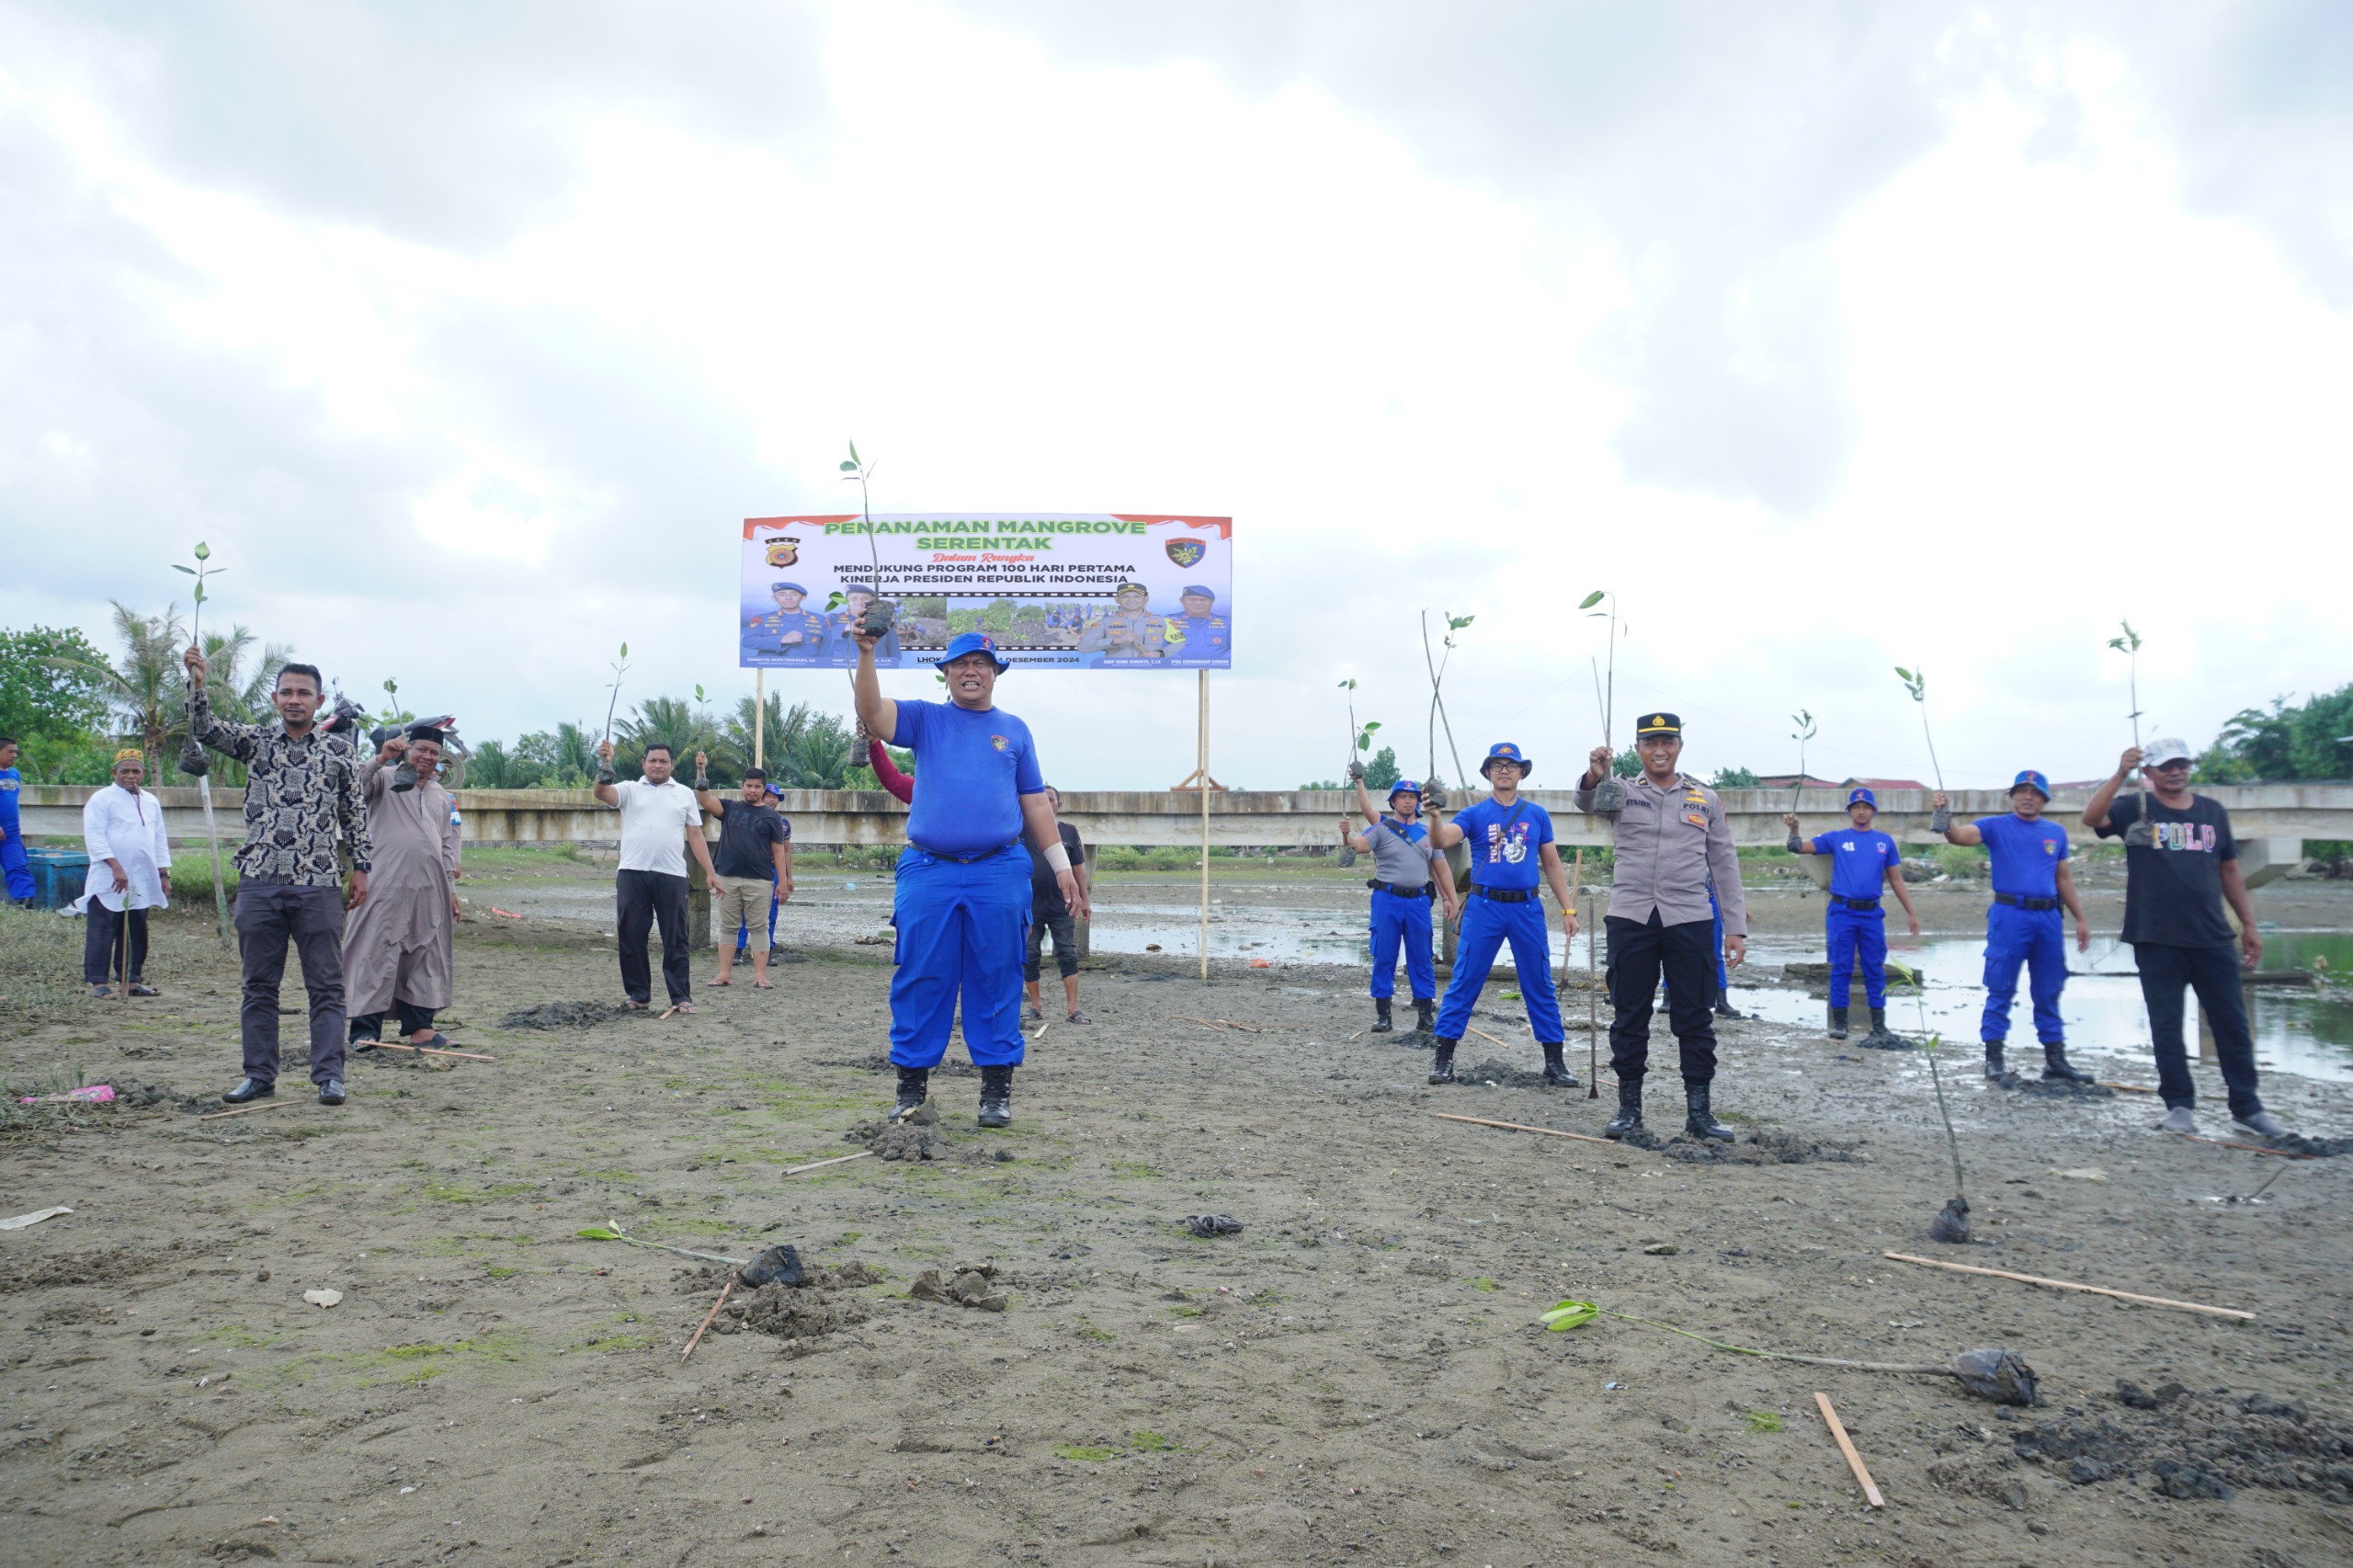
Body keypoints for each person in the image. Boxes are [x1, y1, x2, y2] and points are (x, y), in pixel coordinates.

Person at [852, 627, 1086, 1129]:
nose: (971, 671)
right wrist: (866, 653)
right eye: (960, 664)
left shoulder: (1015, 730)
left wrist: (1063, 868)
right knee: (920, 975)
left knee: (998, 975)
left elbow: (1034, 805)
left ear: (996, 673)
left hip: (999, 870)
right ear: (946, 674)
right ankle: (911, 1090)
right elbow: (872, 714)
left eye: (981, 663)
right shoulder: (925, 719)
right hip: (928, 869)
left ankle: (996, 1093)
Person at [186, 647, 371, 1108]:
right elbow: (204, 729)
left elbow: (355, 816)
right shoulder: (255, 742)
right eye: (286, 692)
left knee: (326, 985)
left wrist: (362, 869)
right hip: (260, 879)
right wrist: (197, 683)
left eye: (303, 693)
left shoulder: (339, 753)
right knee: (258, 986)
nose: (294, 699)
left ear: (319, 700)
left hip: (319, 881)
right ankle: (258, 1076)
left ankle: (330, 1076)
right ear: (274, 698)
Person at [2084, 740, 2287, 1137]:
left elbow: (2230, 870)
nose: (2175, 772)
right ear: (2150, 773)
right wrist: (2120, 772)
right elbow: (2093, 817)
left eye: (2181, 765)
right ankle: (2179, 1105)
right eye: (2165, 767)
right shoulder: (2134, 807)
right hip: (2155, 938)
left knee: (2232, 1024)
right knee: (2166, 1026)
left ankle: (2246, 1107)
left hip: (2212, 938)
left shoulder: (2212, 811)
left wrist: (2249, 925)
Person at [1574, 713, 1747, 1141]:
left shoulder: (1703, 799)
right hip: (1632, 918)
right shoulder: (1620, 791)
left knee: (1694, 1016)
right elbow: (1586, 803)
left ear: (1679, 746)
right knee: (1630, 1015)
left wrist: (1735, 928)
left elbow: (1724, 864)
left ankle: (1700, 1113)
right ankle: (1629, 1109)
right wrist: (1594, 776)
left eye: (1667, 741)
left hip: (1690, 918)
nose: (1659, 750)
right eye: (1650, 742)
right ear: (1637, 749)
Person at [1427, 743, 1579, 1087]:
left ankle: (1554, 1063)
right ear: (1488, 774)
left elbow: (1552, 864)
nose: (1504, 770)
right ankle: (1443, 1059)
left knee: (1539, 982)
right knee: (1465, 979)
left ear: (1522, 771)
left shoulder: (1537, 815)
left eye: (1511, 765)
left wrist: (1568, 909)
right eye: (1497, 765)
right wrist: (1435, 818)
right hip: (1485, 908)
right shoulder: (1474, 814)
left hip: (1527, 908)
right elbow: (1443, 840)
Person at [1933, 770, 2092, 1083]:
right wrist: (1943, 815)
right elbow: (1959, 836)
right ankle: (1994, 1059)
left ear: (2045, 799)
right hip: (2010, 915)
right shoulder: (1995, 826)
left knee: (2049, 989)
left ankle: (2055, 1060)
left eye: (2035, 792)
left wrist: (2081, 918)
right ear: (2012, 796)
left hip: (2048, 919)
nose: (2028, 797)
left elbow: (2063, 879)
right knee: (2001, 987)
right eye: (2022, 791)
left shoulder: (2056, 833)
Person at [344, 725, 462, 1050]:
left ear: (440, 758)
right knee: (374, 951)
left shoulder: (443, 797)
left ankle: (421, 1028)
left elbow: (448, 843)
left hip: (429, 888)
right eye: (421, 749)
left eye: (434, 752)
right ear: (408, 749)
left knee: (425, 954)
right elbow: (352, 788)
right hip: (383, 882)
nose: (427, 756)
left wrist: (451, 890)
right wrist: (382, 758)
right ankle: (364, 1032)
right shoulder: (385, 778)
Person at [1785, 787, 1922, 1047]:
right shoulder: (1837, 838)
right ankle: (1840, 1025)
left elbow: (1895, 879)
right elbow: (1797, 847)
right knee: (1841, 967)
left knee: (1874, 969)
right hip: (1841, 912)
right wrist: (1794, 828)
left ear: (1873, 811)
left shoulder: (1885, 842)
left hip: (1871, 914)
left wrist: (1911, 912)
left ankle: (1879, 1025)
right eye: (1856, 807)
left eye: (1866, 807)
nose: (1861, 811)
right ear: (1849, 811)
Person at [594, 738, 719, 1013]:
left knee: (676, 937)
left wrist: (710, 872)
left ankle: (681, 997)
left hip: (672, 874)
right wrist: (605, 764)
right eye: (653, 760)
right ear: (644, 764)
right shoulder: (628, 789)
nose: (658, 765)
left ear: (672, 765)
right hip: (632, 872)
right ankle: (639, 996)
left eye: (663, 761)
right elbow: (602, 794)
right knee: (631, 934)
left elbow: (695, 834)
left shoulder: (685, 793)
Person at [1343, 766, 1460, 1037]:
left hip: (1419, 903)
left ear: (1418, 802)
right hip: (1386, 901)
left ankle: (1425, 1016)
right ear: (1393, 801)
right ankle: (1384, 1015)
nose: (1407, 801)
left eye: (1412, 797)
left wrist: (1450, 900)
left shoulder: (1429, 834)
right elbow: (1358, 846)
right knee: (1384, 955)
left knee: (1422, 958)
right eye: (1402, 796)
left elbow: (1441, 869)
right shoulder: (1381, 829)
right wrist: (1346, 836)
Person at [690, 751, 792, 989]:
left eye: (757, 786)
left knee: (760, 927)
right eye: (749, 786)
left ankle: (760, 976)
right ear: (742, 786)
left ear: (764, 789)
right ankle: (724, 974)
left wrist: (783, 881)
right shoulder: (730, 808)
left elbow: (778, 851)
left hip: (760, 881)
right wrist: (701, 770)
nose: (752, 790)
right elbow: (704, 800)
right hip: (727, 879)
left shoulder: (772, 818)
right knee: (728, 927)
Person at [80, 748, 171, 997]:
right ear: (114, 773)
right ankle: (98, 983)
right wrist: (116, 867)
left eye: (135, 771)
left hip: (142, 877)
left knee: (136, 930)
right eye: (125, 771)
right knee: (103, 927)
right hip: (109, 875)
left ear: (143, 773)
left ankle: (130, 980)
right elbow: (95, 836)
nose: (130, 776)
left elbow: (159, 839)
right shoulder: (101, 799)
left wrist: (163, 875)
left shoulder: (151, 801)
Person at [1024, 785, 1091, 1025]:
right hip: (1030, 903)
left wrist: (1084, 898)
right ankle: (1035, 1006)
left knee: (1066, 952)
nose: (1047, 803)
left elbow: (1077, 868)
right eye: (1042, 799)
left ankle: (1073, 1008)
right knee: (1030, 953)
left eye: (1050, 799)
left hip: (1063, 904)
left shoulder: (1069, 832)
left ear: (1058, 805)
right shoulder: (1023, 830)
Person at [1074, 583, 1170, 661]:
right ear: (1117, 599)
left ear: (1146, 599)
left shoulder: (1162, 621)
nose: (1131, 600)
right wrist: (1114, 641)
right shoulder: (1105, 622)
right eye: (1125, 596)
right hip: (1117, 676)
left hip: (1153, 674)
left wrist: (1161, 653)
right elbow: (1082, 647)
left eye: (1137, 596)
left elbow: (1179, 644)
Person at [746, 581, 831, 665]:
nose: (788, 598)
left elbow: (828, 652)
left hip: (808, 672)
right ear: (774, 598)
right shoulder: (761, 619)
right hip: (771, 670)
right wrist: (781, 640)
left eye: (794, 594)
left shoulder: (820, 620)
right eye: (782, 594)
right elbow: (748, 641)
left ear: (803, 597)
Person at [826, 584, 903, 665]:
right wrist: (844, 628)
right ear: (847, 600)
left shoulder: (885, 621)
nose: (859, 601)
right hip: (842, 670)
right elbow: (822, 640)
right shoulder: (833, 619)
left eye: (865, 598)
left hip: (877, 670)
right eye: (854, 598)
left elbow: (894, 651)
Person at [0, 734, 33, 907]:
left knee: (18, 867)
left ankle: (25, 904)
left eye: (16, 752)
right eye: (10, 752)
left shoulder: (15, 774)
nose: (14, 756)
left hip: (11, 834)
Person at [1165, 585, 1231, 662]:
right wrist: (1181, 664)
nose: (1198, 603)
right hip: (1176, 670)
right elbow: (1160, 646)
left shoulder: (1227, 623)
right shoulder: (1167, 621)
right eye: (1193, 599)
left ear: (1212, 601)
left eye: (1203, 600)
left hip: (1217, 671)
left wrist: (1219, 663)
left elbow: (1236, 647)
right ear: (1182, 600)